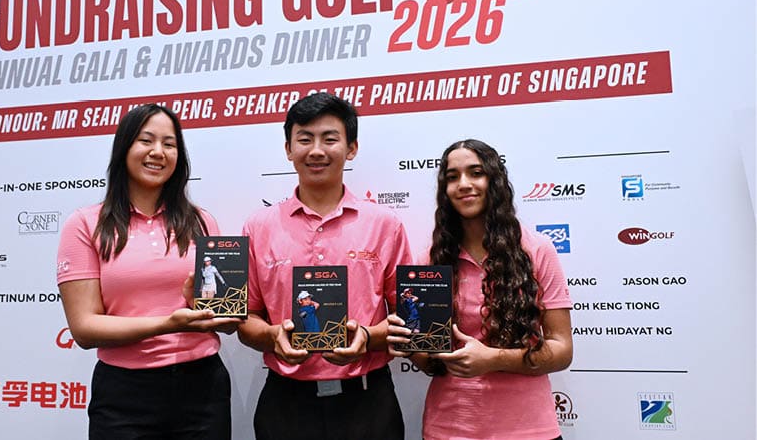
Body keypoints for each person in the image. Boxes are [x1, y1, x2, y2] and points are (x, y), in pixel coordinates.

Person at [56, 104, 242, 440]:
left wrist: (219, 314)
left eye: (169, 144)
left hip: (203, 388)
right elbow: (84, 329)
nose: (158, 152)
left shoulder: (201, 222)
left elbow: (226, 320)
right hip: (124, 395)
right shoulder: (85, 224)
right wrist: (166, 324)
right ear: (124, 147)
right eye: (146, 141)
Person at [237, 92, 412, 440]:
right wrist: (272, 336)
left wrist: (366, 337)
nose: (316, 150)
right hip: (286, 404)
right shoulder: (259, 227)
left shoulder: (384, 224)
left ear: (351, 149)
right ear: (288, 149)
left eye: (330, 139)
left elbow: (409, 317)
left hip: (368, 404)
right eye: (304, 139)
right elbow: (246, 319)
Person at [387, 139, 573, 440]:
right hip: (449, 428)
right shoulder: (430, 261)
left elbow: (562, 350)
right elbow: (429, 363)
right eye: (452, 176)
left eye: (476, 173)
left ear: (494, 180)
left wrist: (494, 358)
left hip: (529, 430)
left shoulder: (537, 250)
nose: (464, 184)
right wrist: (410, 347)